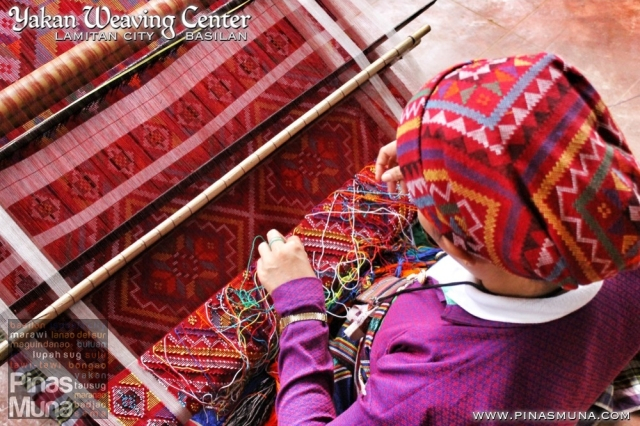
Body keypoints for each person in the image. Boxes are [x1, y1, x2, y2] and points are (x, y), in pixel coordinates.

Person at [256, 53, 640, 425]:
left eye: (423, 200)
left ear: (456, 246)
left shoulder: (435, 388)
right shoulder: (621, 240)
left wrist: (300, 308)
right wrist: (444, 152)